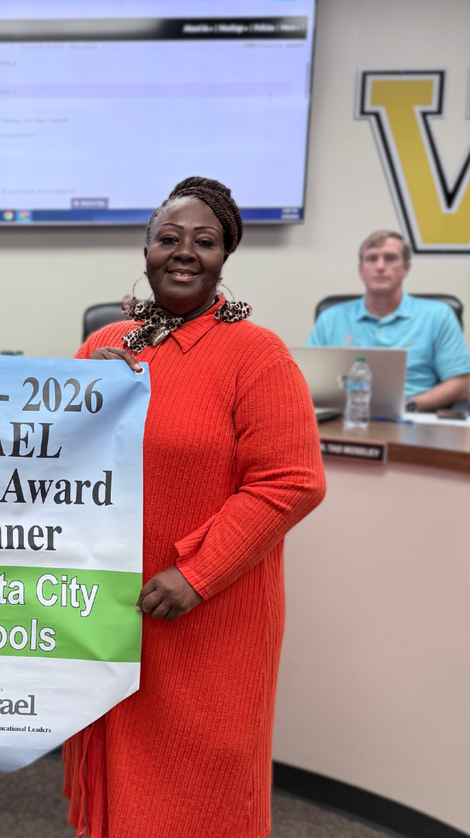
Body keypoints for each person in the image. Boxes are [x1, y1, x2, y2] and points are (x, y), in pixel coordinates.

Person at [62, 177, 326, 838]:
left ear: (225, 256)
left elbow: (291, 481)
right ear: (145, 249)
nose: (184, 253)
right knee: (122, 782)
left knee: (205, 788)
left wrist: (196, 574)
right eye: (168, 238)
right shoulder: (106, 347)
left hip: (210, 614)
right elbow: (54, 452)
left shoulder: (256, 354)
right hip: (114, 612)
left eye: (203, 241)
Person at [306, 230, 470, 411]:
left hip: (415, 419)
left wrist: (408, 406)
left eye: (390, 258)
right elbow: (306, 380)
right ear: (361, 270)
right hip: (343, 418)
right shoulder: (331, 318)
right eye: (371, 259)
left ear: (406, 268)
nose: (380, 266)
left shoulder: (438, 315)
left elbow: (461, 385)